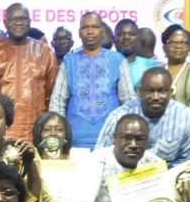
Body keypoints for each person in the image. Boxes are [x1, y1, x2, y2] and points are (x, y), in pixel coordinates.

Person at [48, 12, 133, 149]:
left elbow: (129, 102)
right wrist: (57, 136)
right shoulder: (69, 62)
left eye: (94, 27)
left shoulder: (117, 60)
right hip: (75, 142)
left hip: (111, 141)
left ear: (102, 31)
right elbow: (57, 102)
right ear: (79, 32)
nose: (90, 31)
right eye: (85, 27)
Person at [0, 3, 60, 141]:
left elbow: (52, 95)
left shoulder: (45, 52)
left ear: (30, 22)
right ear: (5, 23)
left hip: (36, 131)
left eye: (23, 19)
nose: (18, 23)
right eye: (13, 19)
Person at [94, 67, 190, 166]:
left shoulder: (186, 117)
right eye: (150, 91)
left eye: (162, 91)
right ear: (139, 92)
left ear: (171, 92)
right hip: (124, 173)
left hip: (168, 173)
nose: (156, 97)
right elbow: (99, 158)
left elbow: (188, 160)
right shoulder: (119, 117)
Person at [115, 18, 161, 89]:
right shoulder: (105, 65)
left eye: (132, 34)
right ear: (114, 39)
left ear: (138, 39)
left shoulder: (153, 66)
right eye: (121, 34)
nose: (126, 37)